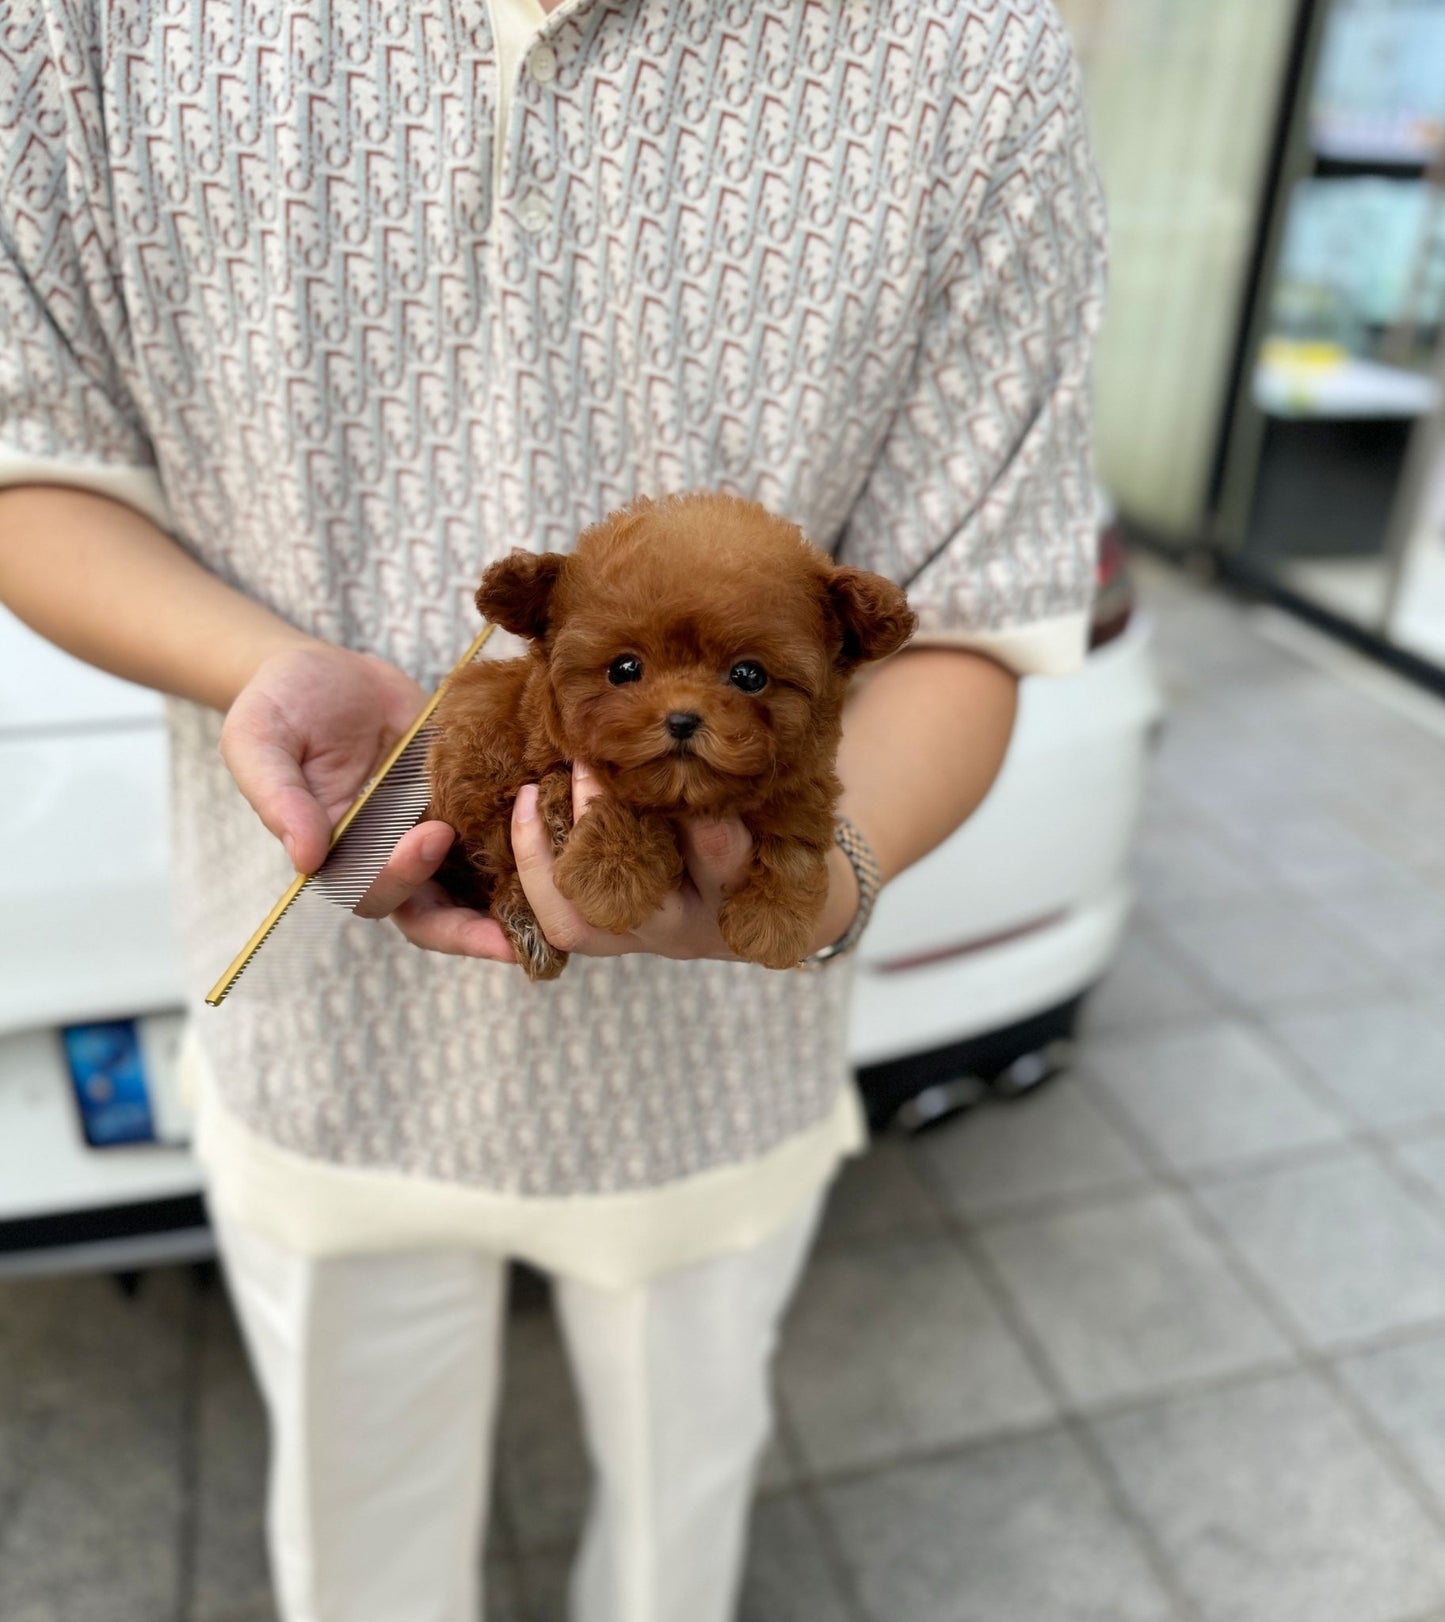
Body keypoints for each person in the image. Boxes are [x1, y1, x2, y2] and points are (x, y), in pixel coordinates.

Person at [0, 1, 1106, 1619]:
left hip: (719, 1077)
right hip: (319, 1028)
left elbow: (976, 606)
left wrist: (805, 869)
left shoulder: (964, 53)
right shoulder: (87, 26)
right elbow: (34, 454)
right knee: (354, 1546)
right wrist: (260, 665)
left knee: (677, 1534)